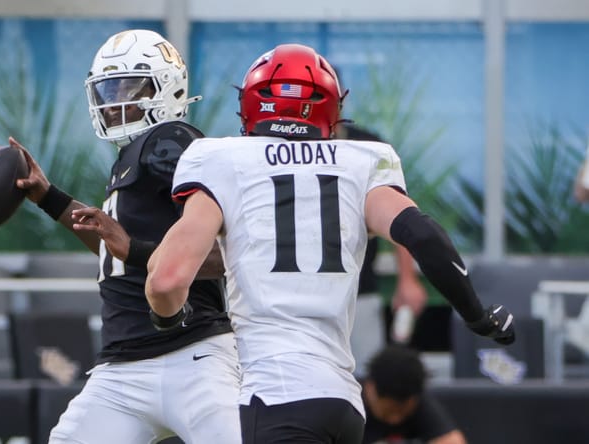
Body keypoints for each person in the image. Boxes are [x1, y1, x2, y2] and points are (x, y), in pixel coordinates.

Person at [145, 43, 515, 443]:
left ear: (250, 104)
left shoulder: (217, 158)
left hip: (274, 394)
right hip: (342, 401)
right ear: (330, 107)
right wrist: (477, 315)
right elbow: (422, 234)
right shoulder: (363, 160)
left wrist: (166, 318)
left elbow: (167, 280)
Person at [10, 30, 240, 443]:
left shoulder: (170, 141)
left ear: (167, 86)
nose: (115, 102)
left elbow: (229, 251)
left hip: (193, 352)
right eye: (108, 88)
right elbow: (114, 250)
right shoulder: (133, 157)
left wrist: (135, 251)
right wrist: (49, 198)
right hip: (122, 368)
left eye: (129, 86)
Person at [337, 122, 428, 376]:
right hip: (299, 290)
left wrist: (408, 279)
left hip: (360, 287)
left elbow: (398, 211)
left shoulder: (367, 146)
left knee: (368, 376)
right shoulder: (283, 144)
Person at [362, 346, 466, 444]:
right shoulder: (351, 406)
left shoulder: (417, 399)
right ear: (371, 389)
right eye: (388, 412)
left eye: (402, 411)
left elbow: (452, 440)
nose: (395, 420)